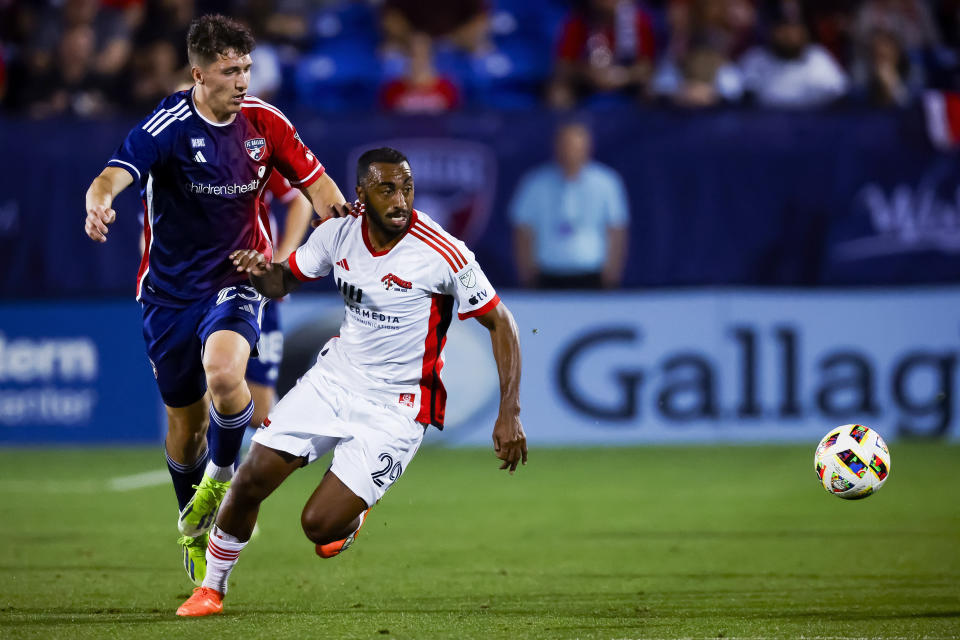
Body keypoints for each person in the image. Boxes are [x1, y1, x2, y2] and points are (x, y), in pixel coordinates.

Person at [175, 147, 527, 617]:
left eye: (406, 188)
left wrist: (509, 412)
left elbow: (501, 323)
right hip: (334, 380)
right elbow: (284, 281)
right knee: (251, 478)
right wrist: (262, 272)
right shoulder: (338, 234)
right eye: (386, 189)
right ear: (360, 193)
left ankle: (352, 513)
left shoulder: (442, 252)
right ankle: (211, 589)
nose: (400, 200)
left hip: (398, 407)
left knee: (318, 526)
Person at [83, 14, 347, 587]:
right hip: (168, 294)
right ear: (198, 75)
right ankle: (194, 527)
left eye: (247, 68)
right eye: (230, 71)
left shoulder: (266, 123)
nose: (242, 80)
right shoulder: (169, 124)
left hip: (238, 278)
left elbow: (323, 193)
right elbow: (109, 177)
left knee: (226, 375)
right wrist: (97, 203)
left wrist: (356, 235)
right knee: (185, 423)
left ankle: (222, 479)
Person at [509, 121, 629, 289]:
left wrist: (612, 274)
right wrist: (527, 275)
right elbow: (522, 231)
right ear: (556, 147)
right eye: (565, 145)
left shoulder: (606, 182)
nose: (570, 152)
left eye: (575, 146)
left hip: (592, 275)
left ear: (588, 148)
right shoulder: (535, 183)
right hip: (547, 276)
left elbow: (616, 230)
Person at [247, 172, 315, 432]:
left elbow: (300, 199)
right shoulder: (179, 149)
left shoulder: (255, 148)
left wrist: (282, 262)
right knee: (203, 388)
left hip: (258, 293)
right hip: (203, 289)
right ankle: (220, 469)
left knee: (259, 410)